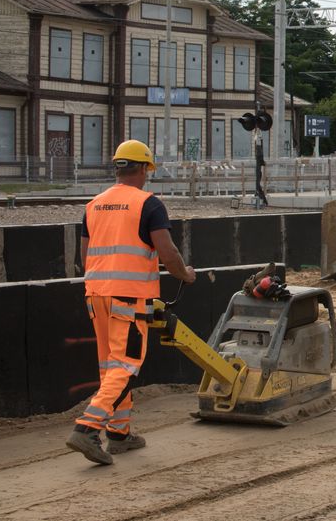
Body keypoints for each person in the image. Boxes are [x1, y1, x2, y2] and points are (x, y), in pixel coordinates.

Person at [65, 139, 196, 465]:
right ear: (144, 168)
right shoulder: (148, 204)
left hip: (96, 296)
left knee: (111, 366)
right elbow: (168, 252)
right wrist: (185, 275)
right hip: (129, 298)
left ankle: (120, 434)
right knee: (125, 366)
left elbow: (85, 257)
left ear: (118, 167)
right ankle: (87, 427)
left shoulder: (94, 204)